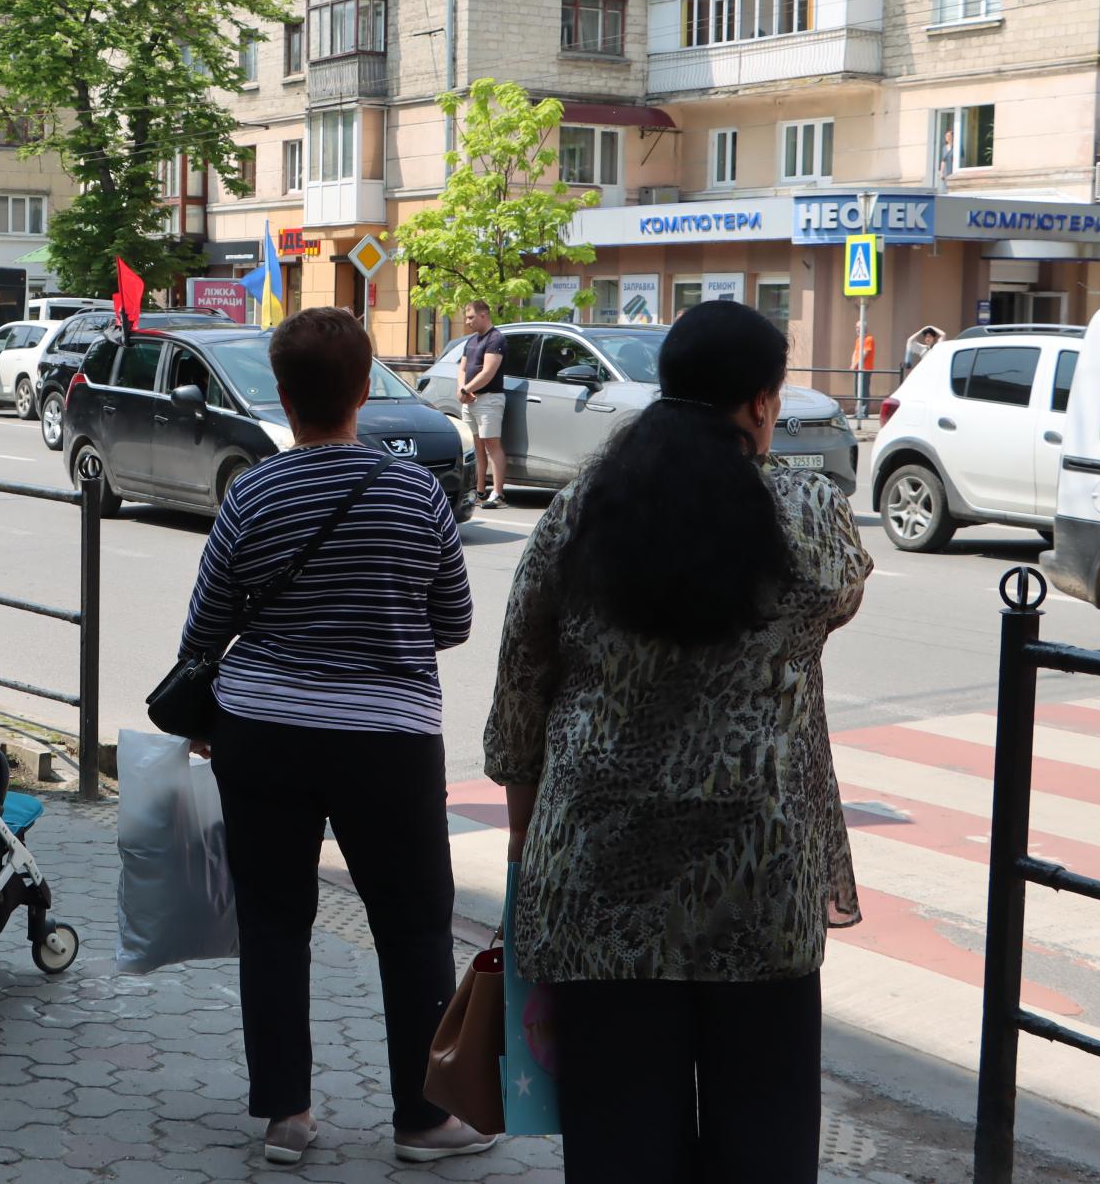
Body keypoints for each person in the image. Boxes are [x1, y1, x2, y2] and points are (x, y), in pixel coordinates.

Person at [484, 299, 872, 1183]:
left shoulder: (583, 509)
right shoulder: (808, 512)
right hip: (758, 880)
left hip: (594, 874)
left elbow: (520, 694)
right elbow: (841, 593)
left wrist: (524, 842)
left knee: (619, 1147)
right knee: (763, 1141)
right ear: (763, 402)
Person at [177, 307, 493, 1168]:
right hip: (388, 741)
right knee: (413, 925)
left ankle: (286, 1115)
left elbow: (204, 628)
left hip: (262, 734)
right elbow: (454, 619)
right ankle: (423, 1119)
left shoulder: (252, 493)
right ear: (364, 391)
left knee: (274, 923)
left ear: (282, 396)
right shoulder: (415, 492)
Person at [455, 301, 509, 509]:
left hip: (489, 400)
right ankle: (479, 492)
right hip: (470, 401)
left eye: (471, 317)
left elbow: (488, 372)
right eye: (466, 317)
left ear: (483, 315)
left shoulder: (496, 339)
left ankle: (498, 494)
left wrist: (465, 390)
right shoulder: (471, 340)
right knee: (476, 446)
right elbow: (462, 369)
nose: (467, 321)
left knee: (491, 444)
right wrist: (462, 390)